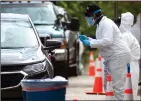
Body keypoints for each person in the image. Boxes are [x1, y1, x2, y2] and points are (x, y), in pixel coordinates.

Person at [79, 4, 131, 100]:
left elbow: (107, 41)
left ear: (94, 16)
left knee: (117, 87)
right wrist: (89, 39)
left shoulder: (106, 23)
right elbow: (102, 40)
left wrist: (90, 43)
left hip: (118, 56)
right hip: (111, 57)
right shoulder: (100, 24)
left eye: (89, 17)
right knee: (108, 85)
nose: (88, 19)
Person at [114, 12, 140, 100]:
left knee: (128, 92)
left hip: (129, 67)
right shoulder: (126, 36)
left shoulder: (126, 36)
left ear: (124, 23)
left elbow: (121, 53)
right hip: (129, 66)